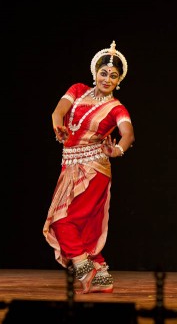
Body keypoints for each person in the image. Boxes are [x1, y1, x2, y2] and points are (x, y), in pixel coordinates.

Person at [43, 41, 135, 294]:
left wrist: (116, 150)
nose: (107, 78)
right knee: (79, 226)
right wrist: (57, 124)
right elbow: (57, 111)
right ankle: (100, 273)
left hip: (94, 169)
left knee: (63, 221)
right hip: (69, 166)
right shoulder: (77, 89)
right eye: (103, 73)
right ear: (95, 73)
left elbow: (128, 134)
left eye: (113, 76)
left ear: (119, 81)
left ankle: (86, 268)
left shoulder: (117, 107)